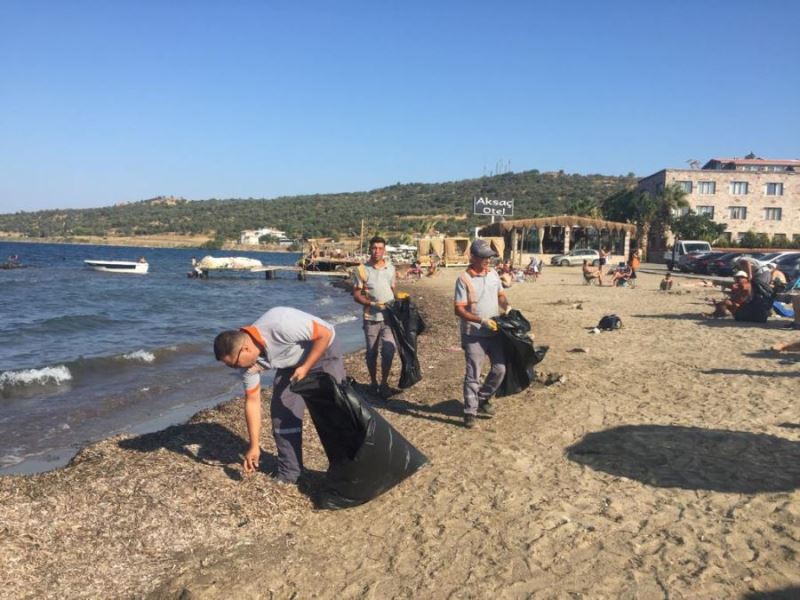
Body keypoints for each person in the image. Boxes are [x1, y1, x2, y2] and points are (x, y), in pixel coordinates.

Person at [214, 307, 345, 485]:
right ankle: (291, 472)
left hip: (323, 351)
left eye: (234, 365)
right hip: (290, 363)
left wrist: (305, 368)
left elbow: (325, 333)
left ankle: (345, 469)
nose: (236, 369)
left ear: (245, 349)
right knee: (281, 414)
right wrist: (254, 445)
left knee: (335, 411)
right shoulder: (247, 365)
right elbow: (252, 402)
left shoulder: (280, 322)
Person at [454, 239, 509, 429]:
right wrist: (480, 320)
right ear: (473, 257)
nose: (488, 261)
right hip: (473, 334)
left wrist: (507, 307)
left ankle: (483, 398)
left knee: (500, 369)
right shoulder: (463, 279)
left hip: (494, 332)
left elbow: (500, 295)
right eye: (484, 257)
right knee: (473, 373)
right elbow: (459, 309)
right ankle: (470, 411)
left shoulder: (493, 274)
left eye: (490, 257)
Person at [353, 236, 398, 399]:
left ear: (384, 250)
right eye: (374, 248)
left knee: (388, 351)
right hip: (370, 317)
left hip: (389, 318)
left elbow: (393, 290)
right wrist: (372, 304)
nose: (377, 251)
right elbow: (356, 295)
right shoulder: (361, 270)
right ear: (369, 249)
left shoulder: (391, 268)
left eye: (380, 248)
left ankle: (384, 383)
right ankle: (373, 383)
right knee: (371, 353)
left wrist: (401, 303)